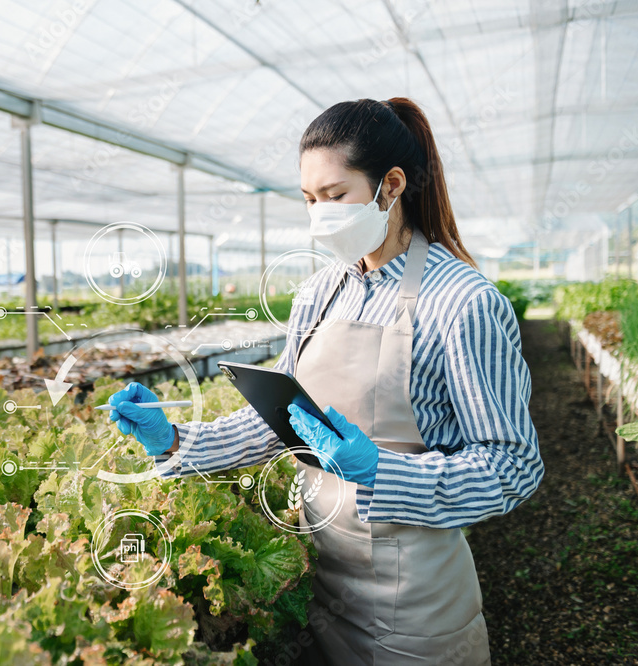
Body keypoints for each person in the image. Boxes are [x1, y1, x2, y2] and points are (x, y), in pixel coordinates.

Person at [107, 98, 543, 666]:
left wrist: (382, 472)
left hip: (415, 604)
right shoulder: (320, 293)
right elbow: (285, 420)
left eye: (336, 196)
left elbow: (513, 465)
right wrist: (176, 441)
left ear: (391, 186)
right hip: (324, 575)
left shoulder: (462, 302)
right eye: (310, 200)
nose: (320, 215)